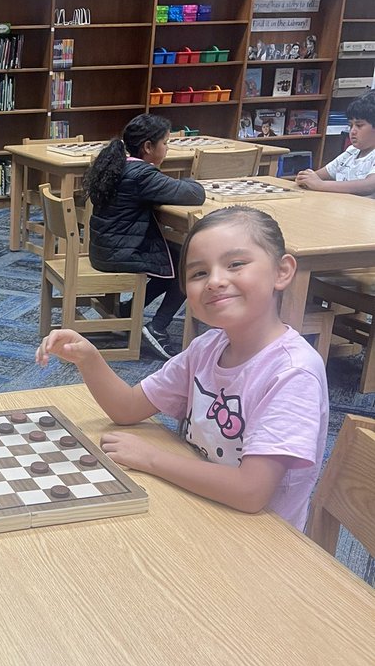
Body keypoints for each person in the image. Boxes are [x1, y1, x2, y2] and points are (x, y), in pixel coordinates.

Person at [36, 205, 328, 531]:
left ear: (282, 271)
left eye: (236, 264)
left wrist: (151, 459)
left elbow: (250, 492)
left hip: (260, 537)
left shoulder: (293, 373)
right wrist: (89, 358)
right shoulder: (207, 348)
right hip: (197, 504)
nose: (215, 281)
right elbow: (128, 408)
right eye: (199, 273)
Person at [84, 113, 205, 360]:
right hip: (119, 252)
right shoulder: (141, 175)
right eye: (166, 143)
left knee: (173, 259)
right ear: (148, 147)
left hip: (105, 247)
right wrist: (193, 180)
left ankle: (129, 311)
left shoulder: (118, 165)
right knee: (186, 266)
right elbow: (194, 195)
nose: (168, 149)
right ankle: (157, 327)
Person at [295, 91, 375, 196]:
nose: (353, 131)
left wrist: (321, 185)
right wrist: (306, 178)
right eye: (351, 126)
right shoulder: (351, 152)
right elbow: (319, 175)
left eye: (359, 125)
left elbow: (369, 185)